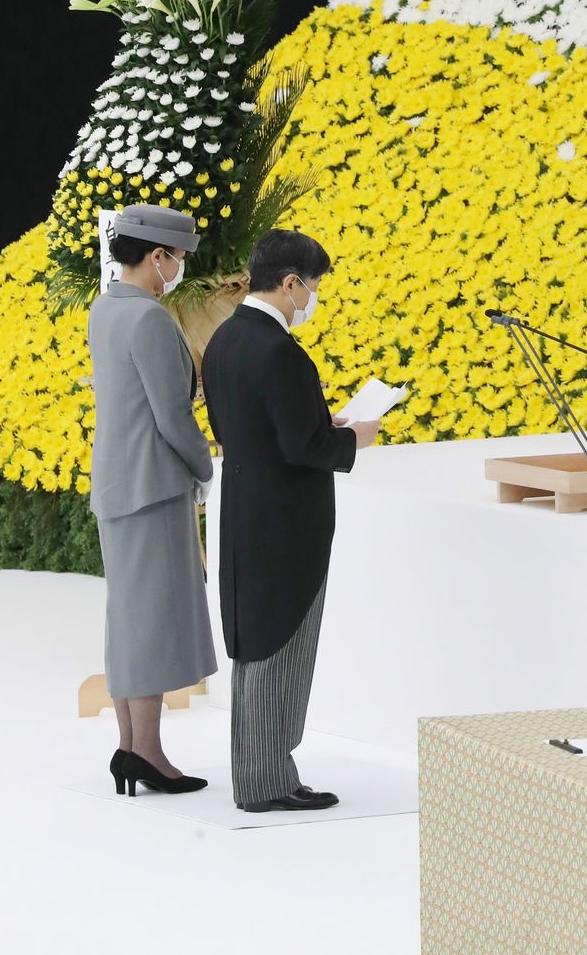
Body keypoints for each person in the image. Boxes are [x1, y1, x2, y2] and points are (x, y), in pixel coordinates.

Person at [200, 228, 380, 812]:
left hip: (245, 511)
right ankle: (265, 783)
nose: (314, 296)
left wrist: (316, 422)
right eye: (314, 285)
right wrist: (354, 436)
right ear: (290, 283)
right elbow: (304, 447)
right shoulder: (280, 351)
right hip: (285, 523)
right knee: (282, 650)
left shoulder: (226, 339)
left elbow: (245, 426)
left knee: (255, 648)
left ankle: (263, 773)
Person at [88, 203, 217, 797]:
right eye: (178, 257)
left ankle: (129, 748)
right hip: (153, 487)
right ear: (157, 255)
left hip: (116, 485)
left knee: (127, 619)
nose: (180, 267)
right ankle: (149, 754)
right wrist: (204, 467)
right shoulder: (150, 321)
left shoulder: (104, 310)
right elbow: (173, 415)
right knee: (152, 625)